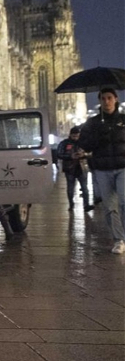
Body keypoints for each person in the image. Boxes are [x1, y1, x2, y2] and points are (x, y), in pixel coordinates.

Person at [77, 88, 125, 254]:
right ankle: (119, 239)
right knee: (110, 207)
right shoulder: (93, 122)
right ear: (100, 101)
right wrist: (99, 136)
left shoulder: (123, 120)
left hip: (122, 167)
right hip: (103, 169)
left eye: (109, 98)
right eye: (103, 98)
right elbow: (84, 144)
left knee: (124, 202)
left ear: (115, 99)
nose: (106, 101)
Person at [57, 126, 93, 212]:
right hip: (70, 168)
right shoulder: (64, 143)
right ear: (70, 135)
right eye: (74, 136)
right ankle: (71, 204)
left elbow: (91, 153)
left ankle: (86, 205)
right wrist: (70, 156)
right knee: (70, 187)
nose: (76, 138)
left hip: (82, 168)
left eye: (77, 136)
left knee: (84, 187)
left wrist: (83, 155)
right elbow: (59, 154)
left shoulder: (84, 143)